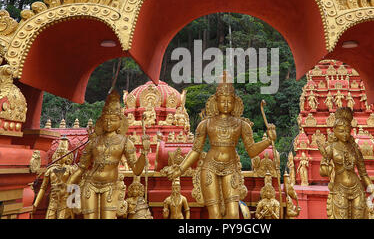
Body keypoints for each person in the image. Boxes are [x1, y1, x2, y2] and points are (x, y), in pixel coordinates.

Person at [166, 72, 276, 219]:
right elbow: (196, 150)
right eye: (222, 100)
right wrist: (180, 168)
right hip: (210, 167)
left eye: (229, 101)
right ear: (215, 101)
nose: (225, 104)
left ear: (235, 102)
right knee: (215, 214)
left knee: (233, 213)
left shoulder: (241, 125)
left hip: (230, 166)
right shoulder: (205, 123)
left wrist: (268, 141)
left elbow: (251, 151)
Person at [67, 90, 150, 219]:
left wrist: (144, 153)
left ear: (120, 121)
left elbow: (137, 170)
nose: (108, 123)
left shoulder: (125, 142)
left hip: (110, 185)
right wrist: (71, 193)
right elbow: (81, 168)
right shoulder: (94, 142)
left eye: (112, 120)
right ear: (101, 121)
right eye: (105, 120)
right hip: (90, 183)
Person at [317, 107, 374, 219]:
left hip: (357, 188)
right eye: (341, 131)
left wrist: (372, 188)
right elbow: (322, 172)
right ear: (334, 131)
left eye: (347, 131)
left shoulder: (355, 149)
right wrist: (325, 162)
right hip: (340, 188)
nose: (345, 134)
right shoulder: (331, 148)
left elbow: (363, 174)